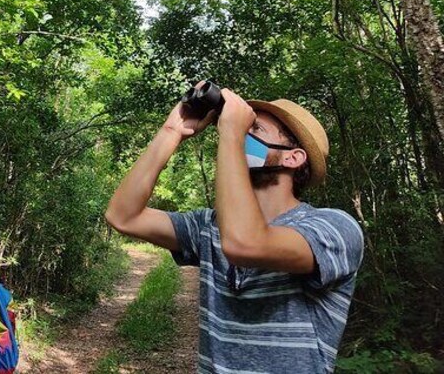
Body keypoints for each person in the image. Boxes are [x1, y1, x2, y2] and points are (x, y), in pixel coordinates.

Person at [105, 86, 364, 374]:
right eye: (244, 128)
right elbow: (123, 216)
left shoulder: (335, 228)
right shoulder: (209, 226)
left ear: (293, 157)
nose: (243, 135)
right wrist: (171, 131)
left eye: (255, 129)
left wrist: (231, 133)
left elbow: (245, 243)